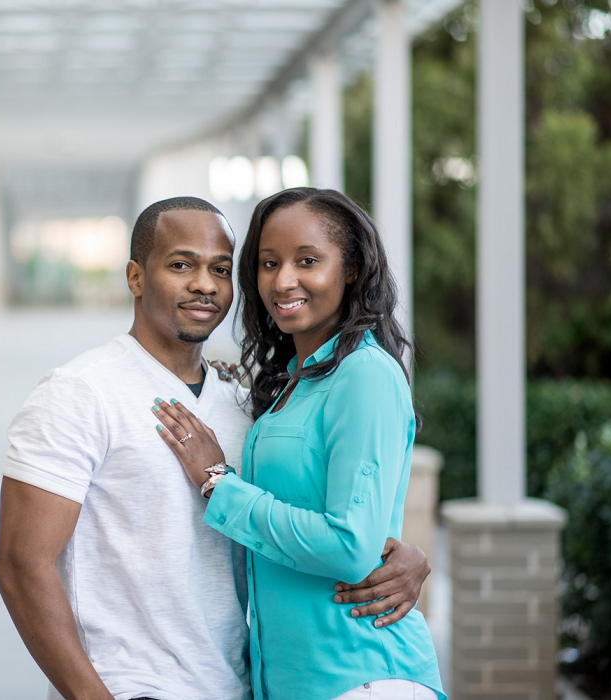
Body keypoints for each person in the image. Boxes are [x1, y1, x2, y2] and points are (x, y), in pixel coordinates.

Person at [0, 196, 432, 700]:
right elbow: (19, 565)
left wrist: (405, 555)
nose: (204, 284)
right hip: (131, 686)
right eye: (181, 265)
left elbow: (327, 518)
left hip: (238, 686)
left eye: (220, 269)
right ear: (136, 277)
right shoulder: (79, 392)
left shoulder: (248, 405)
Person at [150, 188, 445, 700]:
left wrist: (220, 484)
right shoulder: (291, 384)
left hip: (362, 675)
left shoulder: (365, 374)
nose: (283, 280)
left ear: (351, 269)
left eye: (307, 261)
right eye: (268, 263)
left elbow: (351, 545)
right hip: (295, 683)